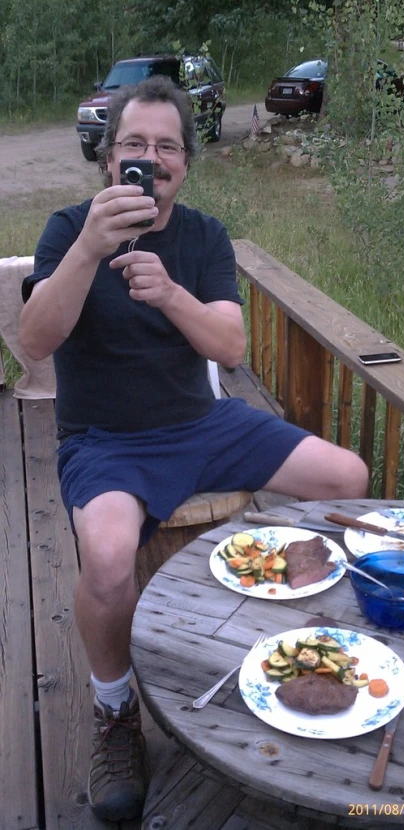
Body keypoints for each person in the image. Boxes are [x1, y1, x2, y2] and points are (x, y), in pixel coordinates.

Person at [19, 76, 368, 822]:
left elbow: (232, 349)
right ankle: (116, 714)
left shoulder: (203, 236)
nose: (151, 157)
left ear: (185, 160)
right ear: (109, 158)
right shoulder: (66, 228)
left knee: (347, 475)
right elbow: (36, 343)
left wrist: (170, 293)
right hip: (106, 440)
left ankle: (309, 634)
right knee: (109, 558)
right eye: (135, 144)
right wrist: (88, 249)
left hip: (205, 425)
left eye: (166, 146)